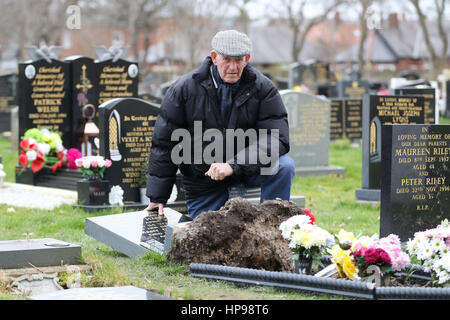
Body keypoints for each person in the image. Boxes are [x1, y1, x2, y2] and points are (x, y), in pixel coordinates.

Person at [146, 29, 295, 219]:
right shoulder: (184, 89)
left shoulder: (263, 88)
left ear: (247, 59)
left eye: (239, 59)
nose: (233, 67)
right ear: (214, 57)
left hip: (246, 170)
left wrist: (233, 165)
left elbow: (276, 137)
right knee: (207, 240)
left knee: (283, 166)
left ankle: (273, 224)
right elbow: (164, 143)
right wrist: (158, 196)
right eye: (227, 59)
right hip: (204, 179)